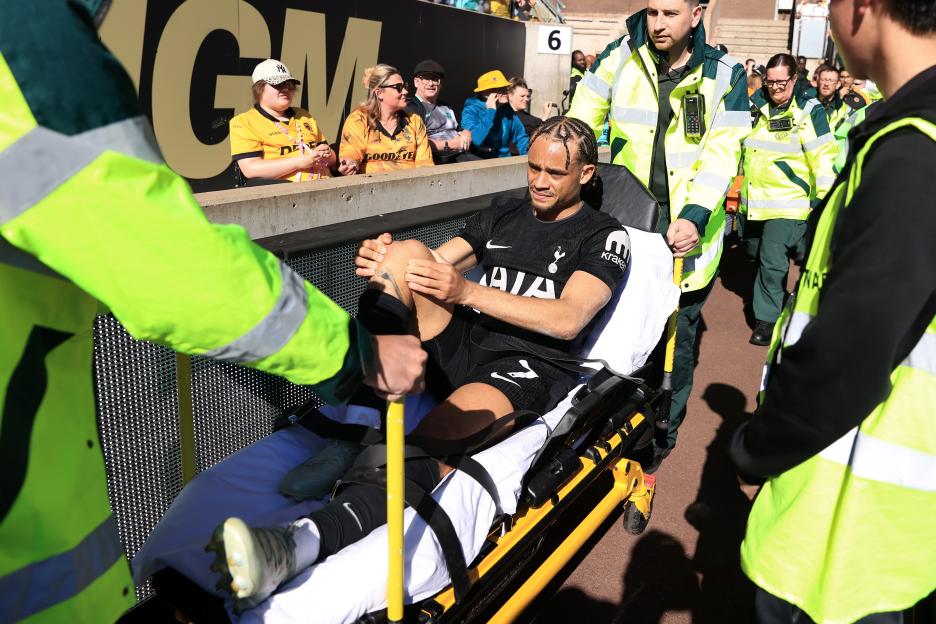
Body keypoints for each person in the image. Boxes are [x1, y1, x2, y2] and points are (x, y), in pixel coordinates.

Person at [0, 4, 427, 623]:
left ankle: (317, 518)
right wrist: (353, 354)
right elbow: (159, 254)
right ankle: (324, 496)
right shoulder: (24, 40)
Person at [208, 118, 633, 612]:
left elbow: (567, 319)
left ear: (584, 174)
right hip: (469, 342)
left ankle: (296, 544)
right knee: (407, 253)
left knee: (437, 435)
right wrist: (384, 263)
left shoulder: (603, 233)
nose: (538, 181)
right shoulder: (506, 212)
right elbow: (432, 262)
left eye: (554, 173)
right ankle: (355, 429)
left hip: (527, 362)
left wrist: (468, 291)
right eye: (532, 167)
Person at [731, 0, 936, 621]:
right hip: (880, 530)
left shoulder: (912, 151)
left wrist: (756, 446)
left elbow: (854, 346)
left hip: (841, 534)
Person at [568, 0, 750, 471]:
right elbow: (580, 118)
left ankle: (660, 435)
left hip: (687, 233)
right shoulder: (619, 54)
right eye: (651, 12)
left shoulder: (725, 75)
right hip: (625, 221)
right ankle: (608, 421)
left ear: (697, 13)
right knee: (613, 325)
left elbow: (721, 154)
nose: (658, 24)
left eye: (670, 13)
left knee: (676, 340)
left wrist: (692, 215)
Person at [740, 53, 838, 346]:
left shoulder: (810, 111)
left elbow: (824, 155)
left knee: (772, 262)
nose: (775, 89)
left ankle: (766, 322)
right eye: (770, 82)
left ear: (795, 79)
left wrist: (823, 201)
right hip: (753, 201)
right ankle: (782, 300)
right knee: (754, 256)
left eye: (781, 82)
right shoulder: (752, 104)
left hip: (789, 201)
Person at [229, 60, 336, 183]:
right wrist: (299, 162)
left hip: (326, 185)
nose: (286, 89)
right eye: (279, 84)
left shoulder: (304, 116)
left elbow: (332, 159)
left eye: (290, 84)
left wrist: (326, 154)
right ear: (259, 89)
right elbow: (250, 169)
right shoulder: (244, 122)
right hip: (284, 193)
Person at [338, 64, 433, 175]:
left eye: (405, 86)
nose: (405, 92)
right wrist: (350, 162)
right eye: (398, 87)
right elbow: (351, 151)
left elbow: (425, 163)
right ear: (379, 93)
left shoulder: (414, 121)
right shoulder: (358, 120)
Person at [406, 59, 477, 164]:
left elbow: (457, 129)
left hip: (462, 155)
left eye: (435, 79)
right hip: (440, 160)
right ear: (416, 82)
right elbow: (414, 142)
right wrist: (450, 144)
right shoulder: (411, 108)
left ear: (441, 84)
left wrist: (466, 132)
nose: (431, 84)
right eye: (426, 79)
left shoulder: (445, 106)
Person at [461, 69, 530, 158]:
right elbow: (476, 139)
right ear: (486, 93)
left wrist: (531, 158)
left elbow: (521, 138)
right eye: (500, 89)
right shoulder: (471, 109)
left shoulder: (506, 109)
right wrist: (491, 112)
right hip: (480, 161)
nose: (506, 92)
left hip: (504, 162)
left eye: (505, 88)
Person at [816, 65, 858, 129]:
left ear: (838, 84)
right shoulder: (804, 103)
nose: (826, 84)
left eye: (831, 80)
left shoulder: (847, 110)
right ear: (818, 81)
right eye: (823, 80)